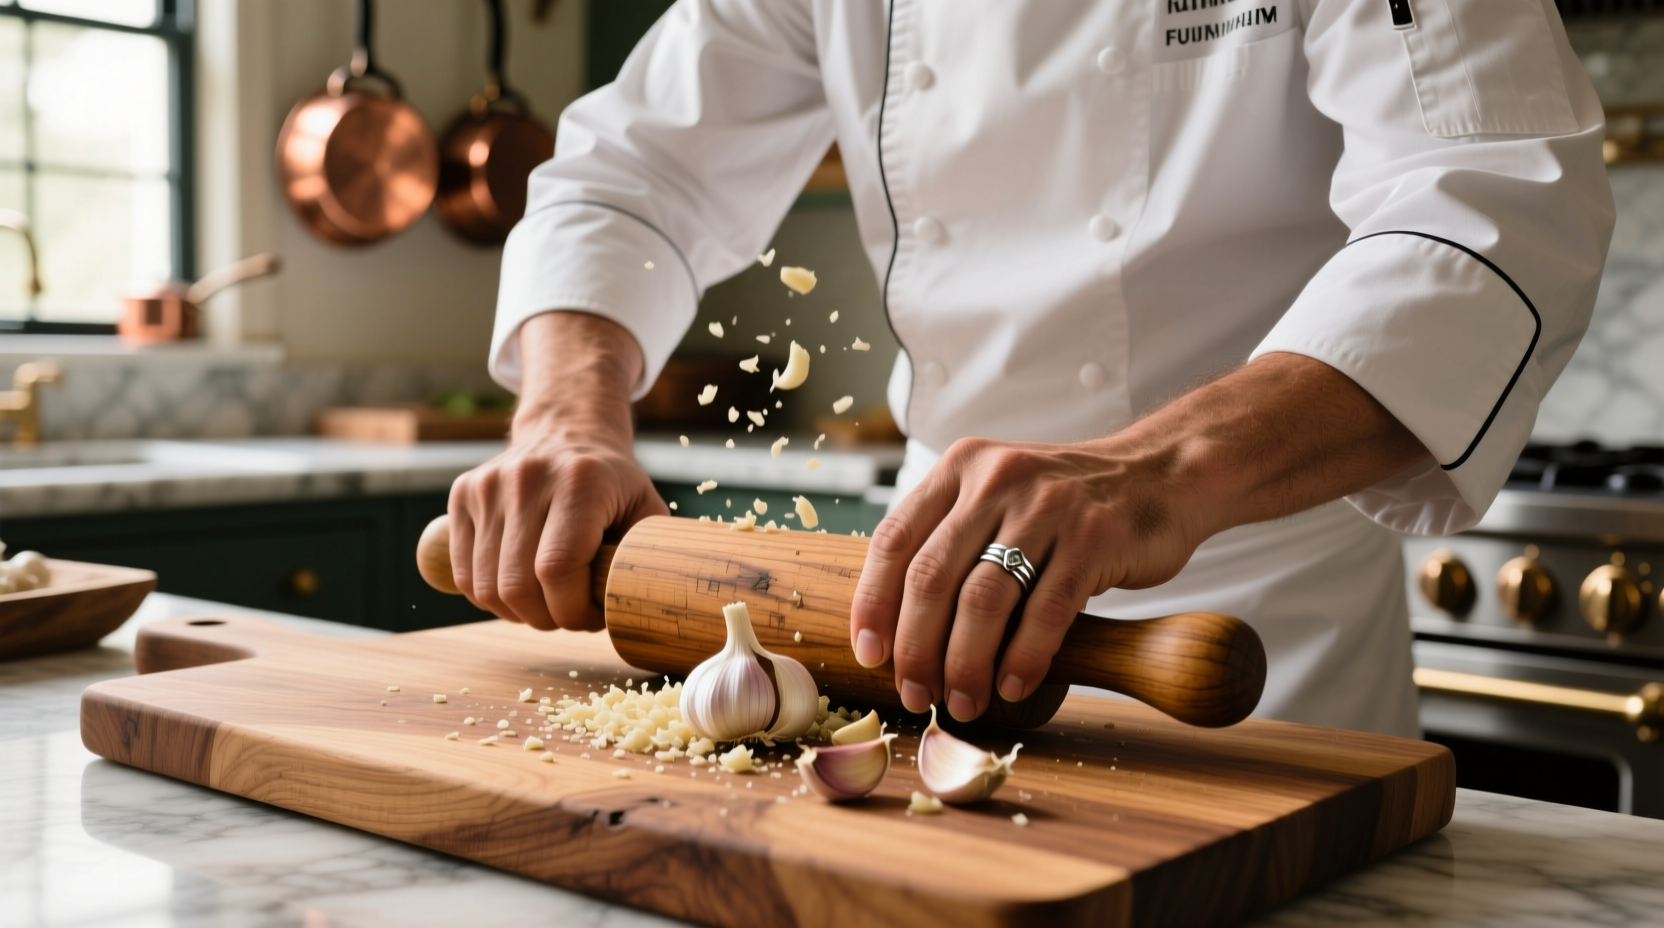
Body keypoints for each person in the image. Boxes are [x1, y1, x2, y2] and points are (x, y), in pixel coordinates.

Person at [448, 0, 1613, 737]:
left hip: (1245, 633)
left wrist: (1155, 468)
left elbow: (1495, 198)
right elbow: (629, 175)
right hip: (918, 617)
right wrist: (564, 416)